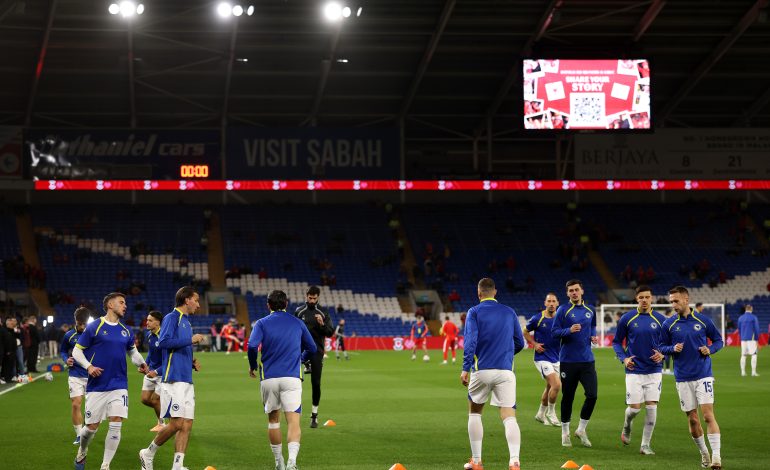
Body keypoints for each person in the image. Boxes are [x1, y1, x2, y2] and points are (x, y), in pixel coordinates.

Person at [72, 292, 150, 470]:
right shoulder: (95, 327)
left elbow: (133, 352)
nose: (125, 306)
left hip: (119, 384)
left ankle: (105, 465)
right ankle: (82, 451)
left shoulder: (126, 330)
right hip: (97, 385)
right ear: (110, 305)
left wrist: (142, 363)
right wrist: (89, 367)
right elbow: (77, 351)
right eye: (121, 303)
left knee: (116, 423)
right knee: (91, 427)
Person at [248, 290, 317, 470]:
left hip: (269, 378)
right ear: (286, 304)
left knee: (273, 420)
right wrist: (300, 359)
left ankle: (279, 463)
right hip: (292, 377)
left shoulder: (261, 323)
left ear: (268, 305)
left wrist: (253, 365)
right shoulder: (297, 323)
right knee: (293, 421)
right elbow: (312, 347)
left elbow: (252, 346)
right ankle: (292, 463)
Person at [461, 278, 525, 470]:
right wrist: (504, 353)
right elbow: (520, 343)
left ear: (479, 293)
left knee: (475, 412)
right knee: (509, 416)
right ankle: (514, 461)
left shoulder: (474, 312)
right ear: (495, 292)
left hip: (482, 371)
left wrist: (465, 367)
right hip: (506, 371)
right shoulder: (509, 311)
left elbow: (470, 341)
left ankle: (477, 461)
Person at [658, 286, 724, 470]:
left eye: (676, 301)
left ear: (686, 300)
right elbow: (661, 346)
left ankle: (717, 457)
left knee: (708, 415)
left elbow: (719, 340)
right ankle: (704, 453)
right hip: (683, 377)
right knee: (693, 419)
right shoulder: (668, 324)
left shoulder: (703, 320)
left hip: (703, 374)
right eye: (671, 301)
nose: (673, 304)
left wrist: (710, 349)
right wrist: (672, 349)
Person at [139, 286, 205, 470]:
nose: (198, 305)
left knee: (187, 424)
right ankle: (148, 453)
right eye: (196, 300)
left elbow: (178, 349)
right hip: (173, 380)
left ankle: (178, 466)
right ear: (187, 300)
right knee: (176, 423)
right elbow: (165, 343)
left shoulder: (187, 321)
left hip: (186, 378)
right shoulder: (171, 317)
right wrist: (190, 340)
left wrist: (191, 361)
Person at [612, 285, 667, 455]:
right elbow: (616, 342)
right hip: (634, 370)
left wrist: (663, 355)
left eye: (647, 297)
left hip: (654, 370)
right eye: (641, 297)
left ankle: (645, 445)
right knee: (635, 409)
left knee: (651, 408)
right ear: (636, 299)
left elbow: (668, 344)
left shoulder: (661, 319)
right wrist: (624, 358)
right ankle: (627, 426)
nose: (644, 300)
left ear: (652, 299)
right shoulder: (627, 318)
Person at [551, 279, 598, 448]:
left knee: (592, 395)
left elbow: (592, 326)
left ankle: (581, 430)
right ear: (567, 293)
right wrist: (569, 331)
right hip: (568, 361)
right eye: (571, 290)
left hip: (587, 361)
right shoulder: (563, 310)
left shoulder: (590, 309)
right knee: (568, 397)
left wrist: (593, 336)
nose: (574, 293)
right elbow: (554, 332)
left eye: (576, 290)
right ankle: (565, 433)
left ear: (582, 291)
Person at [294, 285, 334, 428]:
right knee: (294, 384)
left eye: (314, 298)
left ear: (318, 297)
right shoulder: (299, 311)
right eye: (309, 298)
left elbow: (330, 332)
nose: (311, 300)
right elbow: (293, 331)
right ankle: (294, 414)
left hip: (317, 351)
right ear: (306, 296)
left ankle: (314, 415)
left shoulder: (323, 312)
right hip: (300, 351)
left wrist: (322, 324)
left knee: (316, 383)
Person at [523, 293, 561, 426]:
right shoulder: (537, 318)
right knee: (557, 385)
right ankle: (551, 412)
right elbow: (525, 331)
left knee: (550, 386)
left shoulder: (561, 318)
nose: (551, 303)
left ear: (557, 303)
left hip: (557, 358)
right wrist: (535, 344)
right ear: (545, 303)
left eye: (553, 301)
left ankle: (540, 414)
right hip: (542, 357)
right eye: (549, 301)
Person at [61, 307, 91, 445]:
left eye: (85, 324)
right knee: (75, 404)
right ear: (76, 322)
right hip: (75, 375)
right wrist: (66, 359)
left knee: (90, 408)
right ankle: (79, 435)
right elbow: (62, 351)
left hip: (92, 375)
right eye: (80, 324)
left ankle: (87, 429)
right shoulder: (69, 335)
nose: (83, 327)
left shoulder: (93, 334)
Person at [140, 311, 166, 432]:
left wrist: (156, 371)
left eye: (150, 320)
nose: (147, 322)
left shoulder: (164, 336)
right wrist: (145, 365)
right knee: (145, 399)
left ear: (158, 322)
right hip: (151, 372)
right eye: (147, 320)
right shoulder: (149, 335)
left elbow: (168, 360)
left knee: (155, 400)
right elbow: (150, 352)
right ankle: (167, 411)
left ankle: (162, 424)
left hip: (162, 374)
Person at [737, 304, 760, 377]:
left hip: (743, 339)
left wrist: (741, 337)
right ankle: (753, 372)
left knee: (743, 355)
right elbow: (756, 329)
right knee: (754, 355)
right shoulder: (753, 317)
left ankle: (743, 372)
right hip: (751, 339)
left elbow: (739, 329)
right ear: (751, 309)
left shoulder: (740, 318)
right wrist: (756, 339)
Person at [1, 316, 18, 383]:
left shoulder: (12, 330)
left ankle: (9, 377)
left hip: (12, 350)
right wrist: (8, 350)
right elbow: (6, 342)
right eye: (11, 323)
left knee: (11, 365)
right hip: (9, 351)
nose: (13, 324)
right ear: (8, 324)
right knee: (7, 365)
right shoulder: (5, 331)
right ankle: (6, 378)